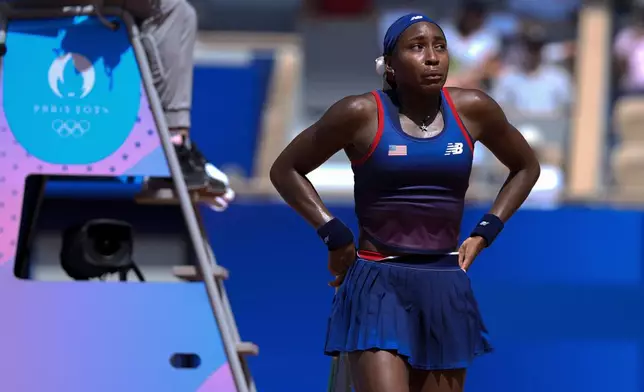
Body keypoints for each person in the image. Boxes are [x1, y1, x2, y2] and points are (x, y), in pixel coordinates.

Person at [270, 13, 540, 392]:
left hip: (445, 284)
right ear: (390, 66)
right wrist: (335, 235)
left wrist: (484, 233)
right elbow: (286, 170)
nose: (432, 57)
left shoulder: (474, 108)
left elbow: (526, 167)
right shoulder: (358, 113)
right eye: (417, 47)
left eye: (440, 46)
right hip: (377, 284)